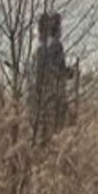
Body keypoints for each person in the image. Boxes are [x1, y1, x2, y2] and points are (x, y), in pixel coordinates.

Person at [32, 12, 75, 143]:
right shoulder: (56, 46)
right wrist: (69, 73)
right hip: (54, 94)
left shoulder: (38, 47)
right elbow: (57, 69)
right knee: (56, 130)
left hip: (42, 95)